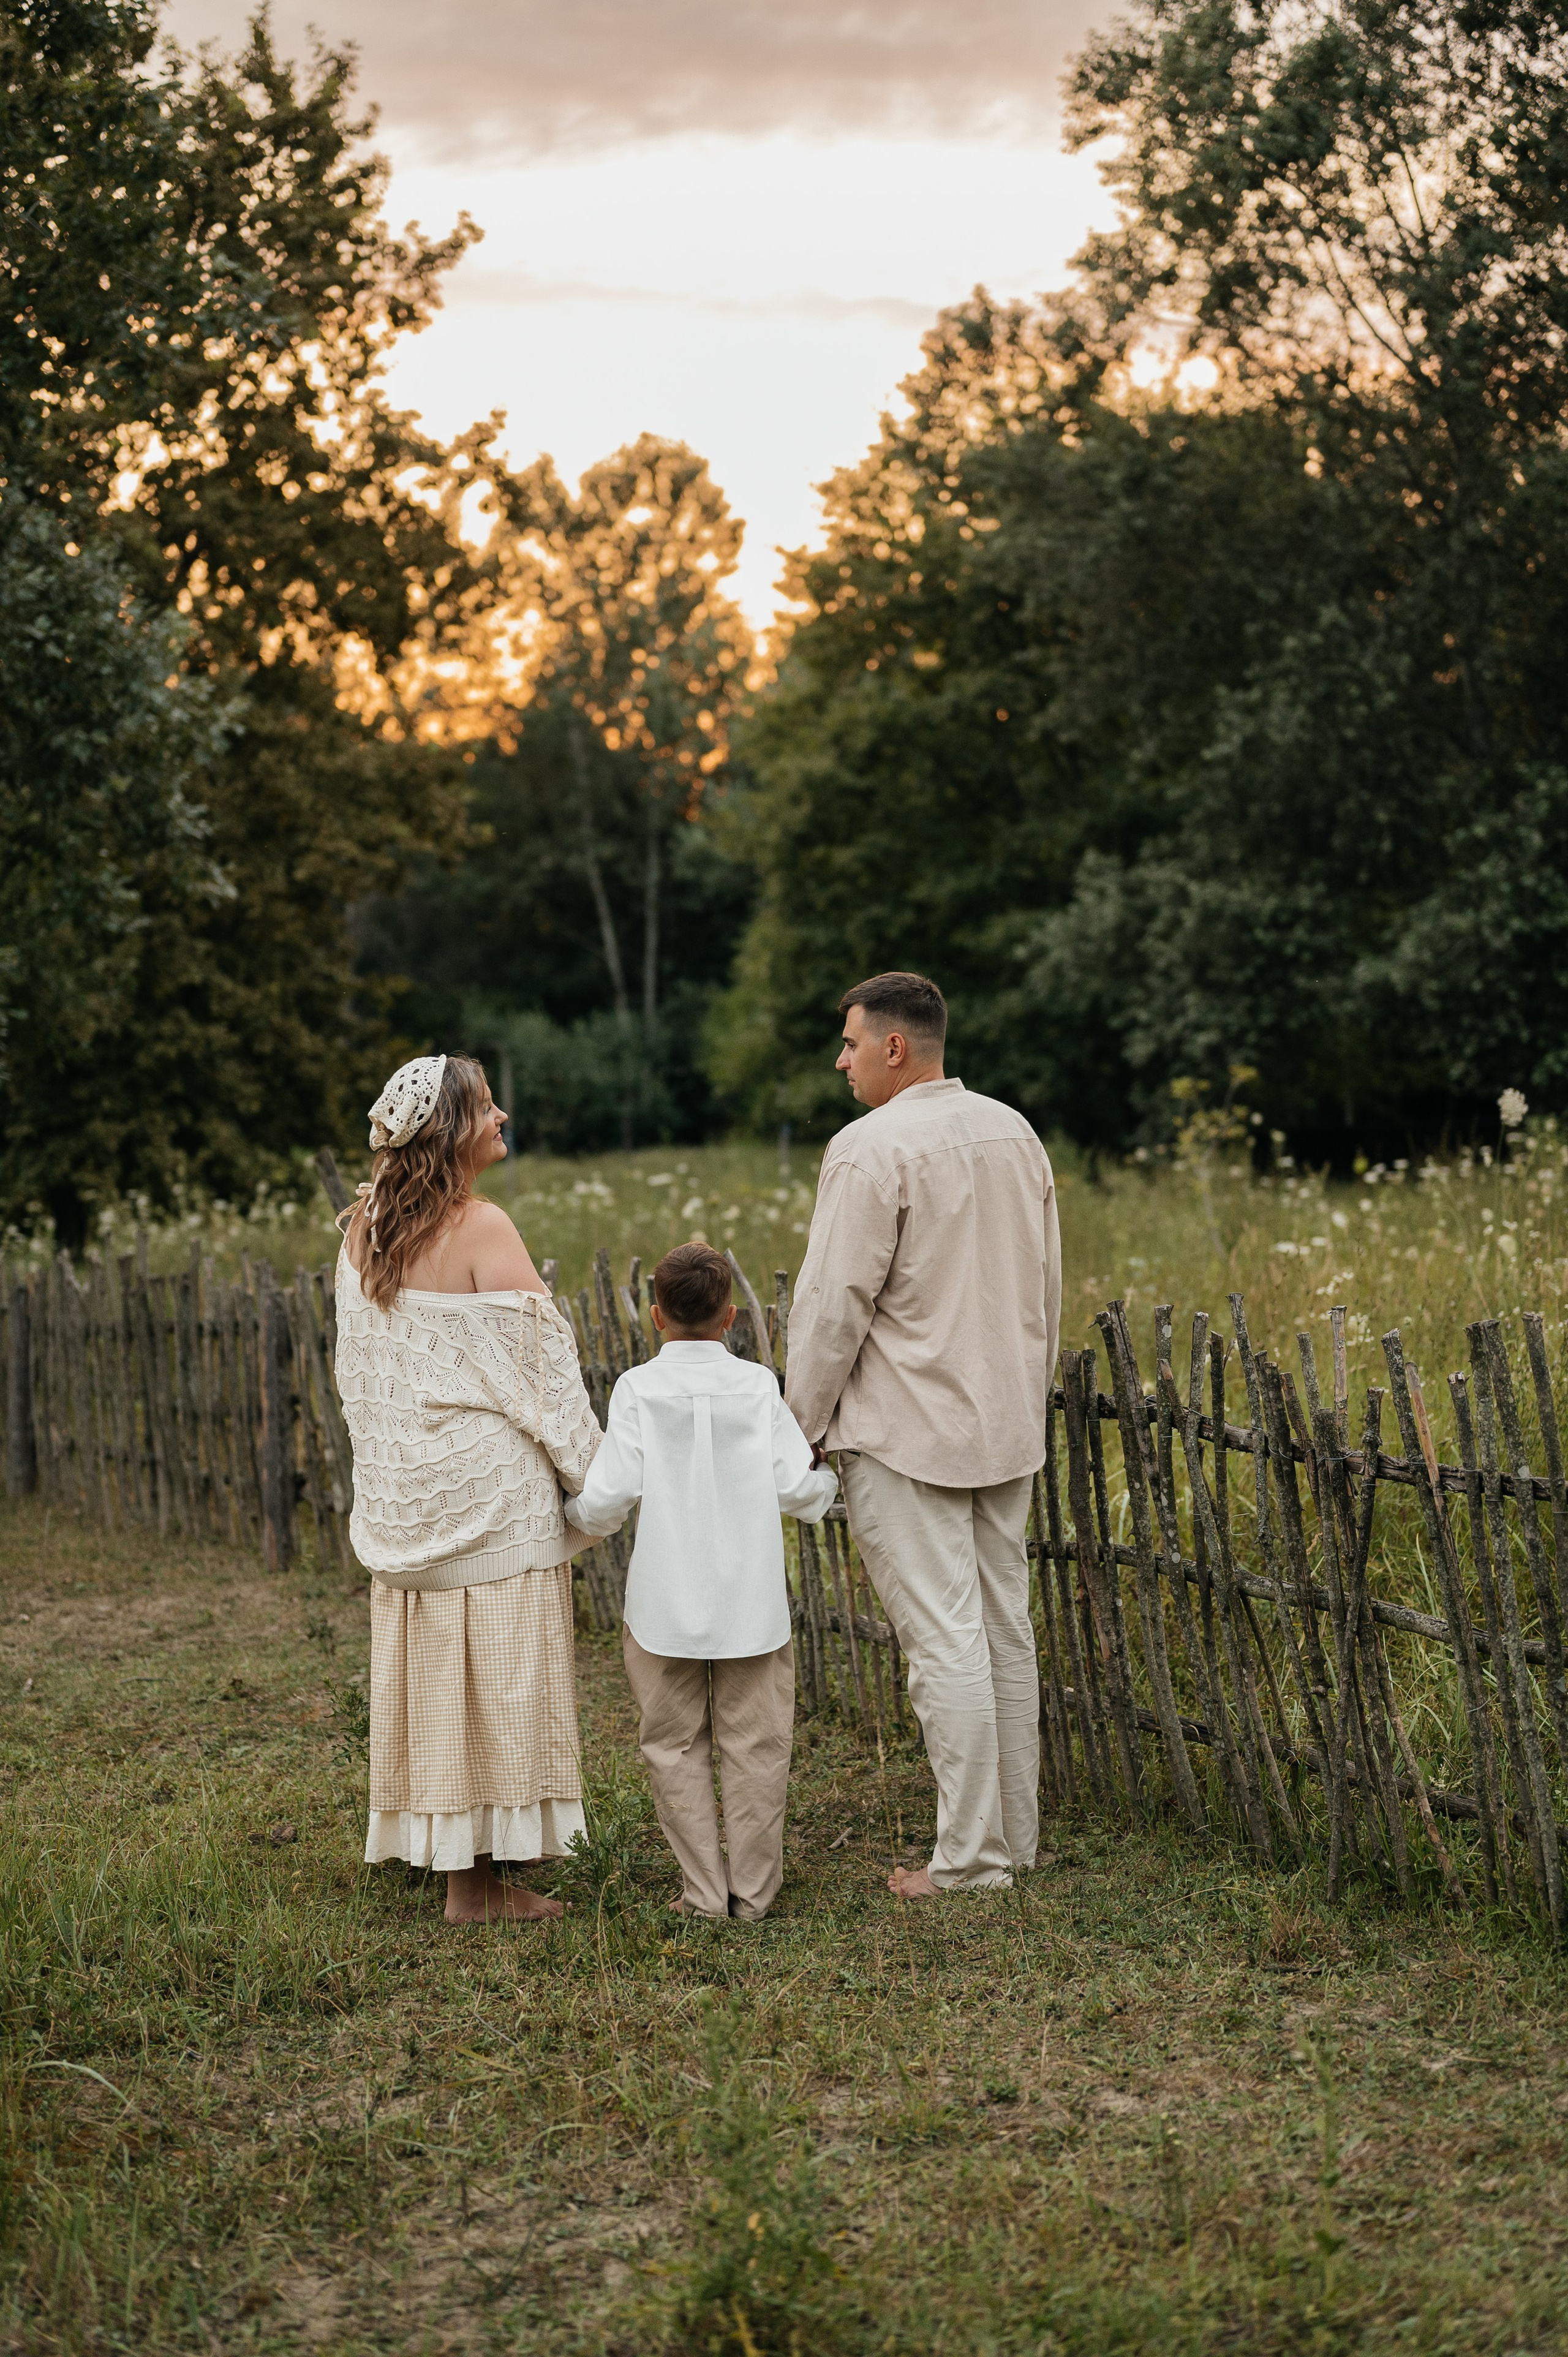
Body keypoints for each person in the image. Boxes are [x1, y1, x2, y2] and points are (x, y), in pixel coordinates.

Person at [783, 973, 1061, 1901]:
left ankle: (973, 1862)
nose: (843, 1060)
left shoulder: (868, 1149)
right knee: (1003, 1632)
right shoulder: (1014, 1131)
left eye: (852, 1044)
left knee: (945, 1642)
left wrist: (802, 1425)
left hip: (907, 1429)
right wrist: (1031, 1390)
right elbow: (1044, 1286)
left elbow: (833, 1306)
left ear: (894, 1047)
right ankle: (1012, 1842)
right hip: (1004, 1419)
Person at [335, 1054, 602, 1926]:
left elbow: (363, 1374)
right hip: (488, 1502)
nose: (503, 1116)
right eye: (486, 1107)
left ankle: (458, 1859)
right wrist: (595, 1480)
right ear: (452, 1131)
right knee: (495, 1681)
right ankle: (477, 1888)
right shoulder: (483, 1227)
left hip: (411, 1499)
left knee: (440, 1681)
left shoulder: (363, 1228)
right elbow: (544, 1374)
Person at [565, 1242, 838, 1920]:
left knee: (672, 1744)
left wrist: (571, 1514)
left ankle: (703, 1892)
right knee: (758, 1745)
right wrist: (829, 1481)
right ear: (732, 1316)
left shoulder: (636, 1387)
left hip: (662, 1603)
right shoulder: (757, 1385)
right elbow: (796, 1489)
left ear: (655, 1315)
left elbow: (610, 1495)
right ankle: (755, 1891)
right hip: (752, 1605)